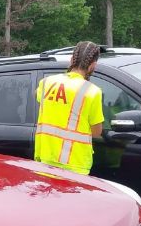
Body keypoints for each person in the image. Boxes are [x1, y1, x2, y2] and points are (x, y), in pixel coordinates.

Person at [34, 41, 104, 175]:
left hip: (44, 160)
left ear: (72, 59)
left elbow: (37, 96)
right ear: (93, 66)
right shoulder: (92, 92)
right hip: (75, 166)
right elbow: (96, 132)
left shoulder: (47, 82)